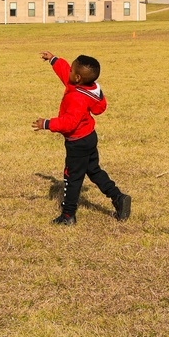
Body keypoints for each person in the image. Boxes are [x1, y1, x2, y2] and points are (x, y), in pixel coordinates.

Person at [31, 51, 130, 226]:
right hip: (89, 138)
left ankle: (68, 215)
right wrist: (53, 60)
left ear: (77, 78)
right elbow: (65, 72)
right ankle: (118, 197)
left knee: (72, 178)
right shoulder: (86, 86)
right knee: (94, 171)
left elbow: (68, 123)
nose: (67, 71)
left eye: (71, 70)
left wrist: (46, 123)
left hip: (77, 143)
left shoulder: (77, 97)